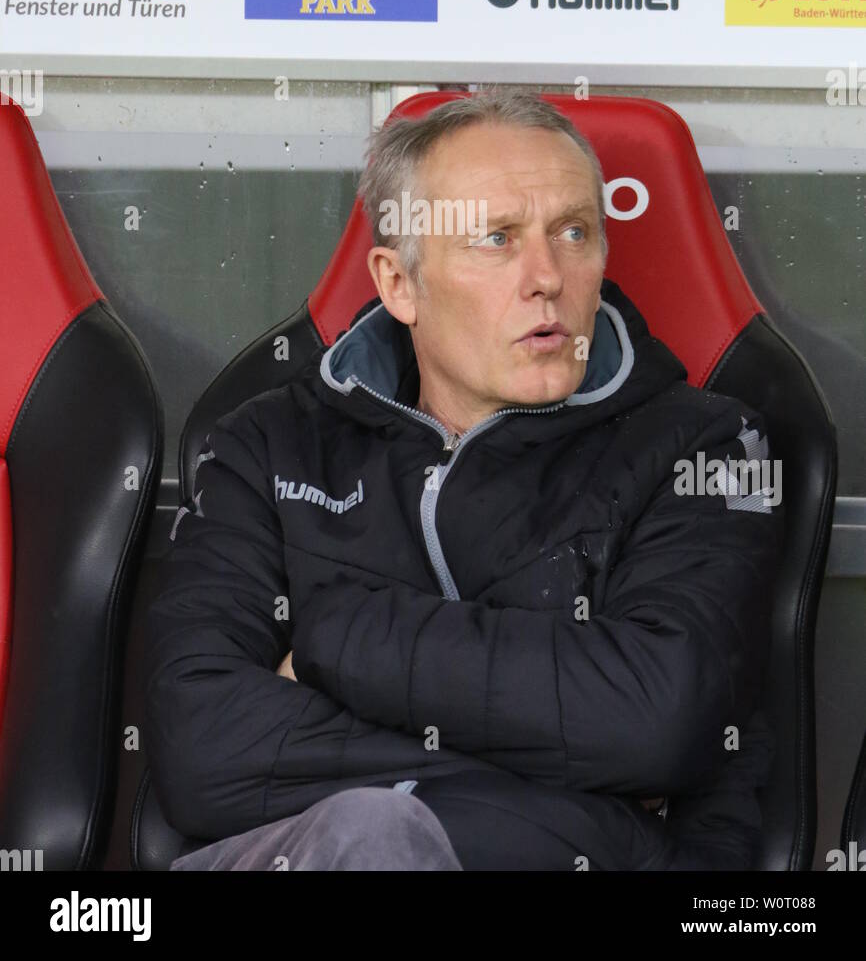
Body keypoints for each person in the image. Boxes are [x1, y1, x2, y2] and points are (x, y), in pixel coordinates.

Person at [143, 88, 784, 871]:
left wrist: (331, 638)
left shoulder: (708, 447)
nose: (546, 276)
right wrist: (580, 784)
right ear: (398, 284)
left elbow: (658, 725)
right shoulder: (267, 444)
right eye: (496, 238)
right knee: (373, 839)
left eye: (574, 232)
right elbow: (201, 752)